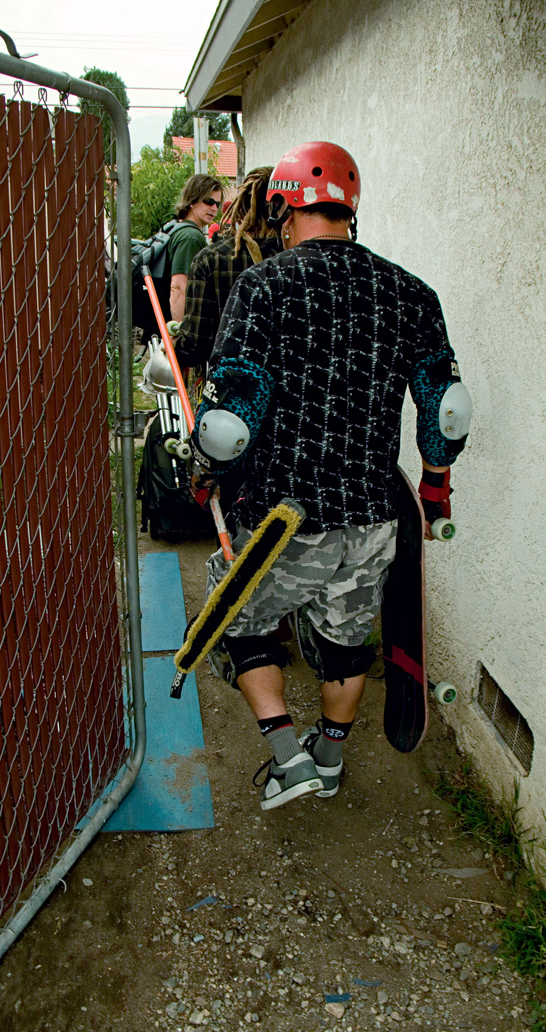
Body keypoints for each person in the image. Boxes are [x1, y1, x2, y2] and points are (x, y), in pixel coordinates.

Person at [189, 141, 472, 811]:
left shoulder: (262, 288)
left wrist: (206, 472)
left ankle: (289, 760)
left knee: (233, 618)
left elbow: (232, 417)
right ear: (351, 210)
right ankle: (332, 755)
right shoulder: (412, 292)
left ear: (285, 207)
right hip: (373, 514)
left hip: (281, 518)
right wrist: (434, 490)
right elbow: (446, 410)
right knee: (347, 646)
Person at [172, 167, 282, 370]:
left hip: (229, 386)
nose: (213, 207)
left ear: (243, 205)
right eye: (209, 202)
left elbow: (196, 345)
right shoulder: (296, 259)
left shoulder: (211, 259)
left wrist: (176, 347)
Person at [168, 174, 223, 321]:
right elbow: (179, 287)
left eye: (217, 204)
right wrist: (178, 332)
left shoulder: (176, 227)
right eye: (208, 201)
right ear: (192, 201)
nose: (214, 208)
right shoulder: (190, 237)